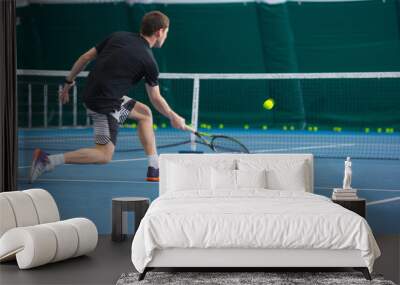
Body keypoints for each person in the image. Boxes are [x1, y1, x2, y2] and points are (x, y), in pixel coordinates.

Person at [30, 11, 186, 183]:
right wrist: (173, 116)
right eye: (167, 32)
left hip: (104, 96)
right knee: (104, 155)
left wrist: (68, 82)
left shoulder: (118, 36)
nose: (166, 36)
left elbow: (86, 57)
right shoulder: (149, 61)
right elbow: (155, 98)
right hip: (102, 104)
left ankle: (153, 166)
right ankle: (47, 161)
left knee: (144, 113)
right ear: (159, 31)